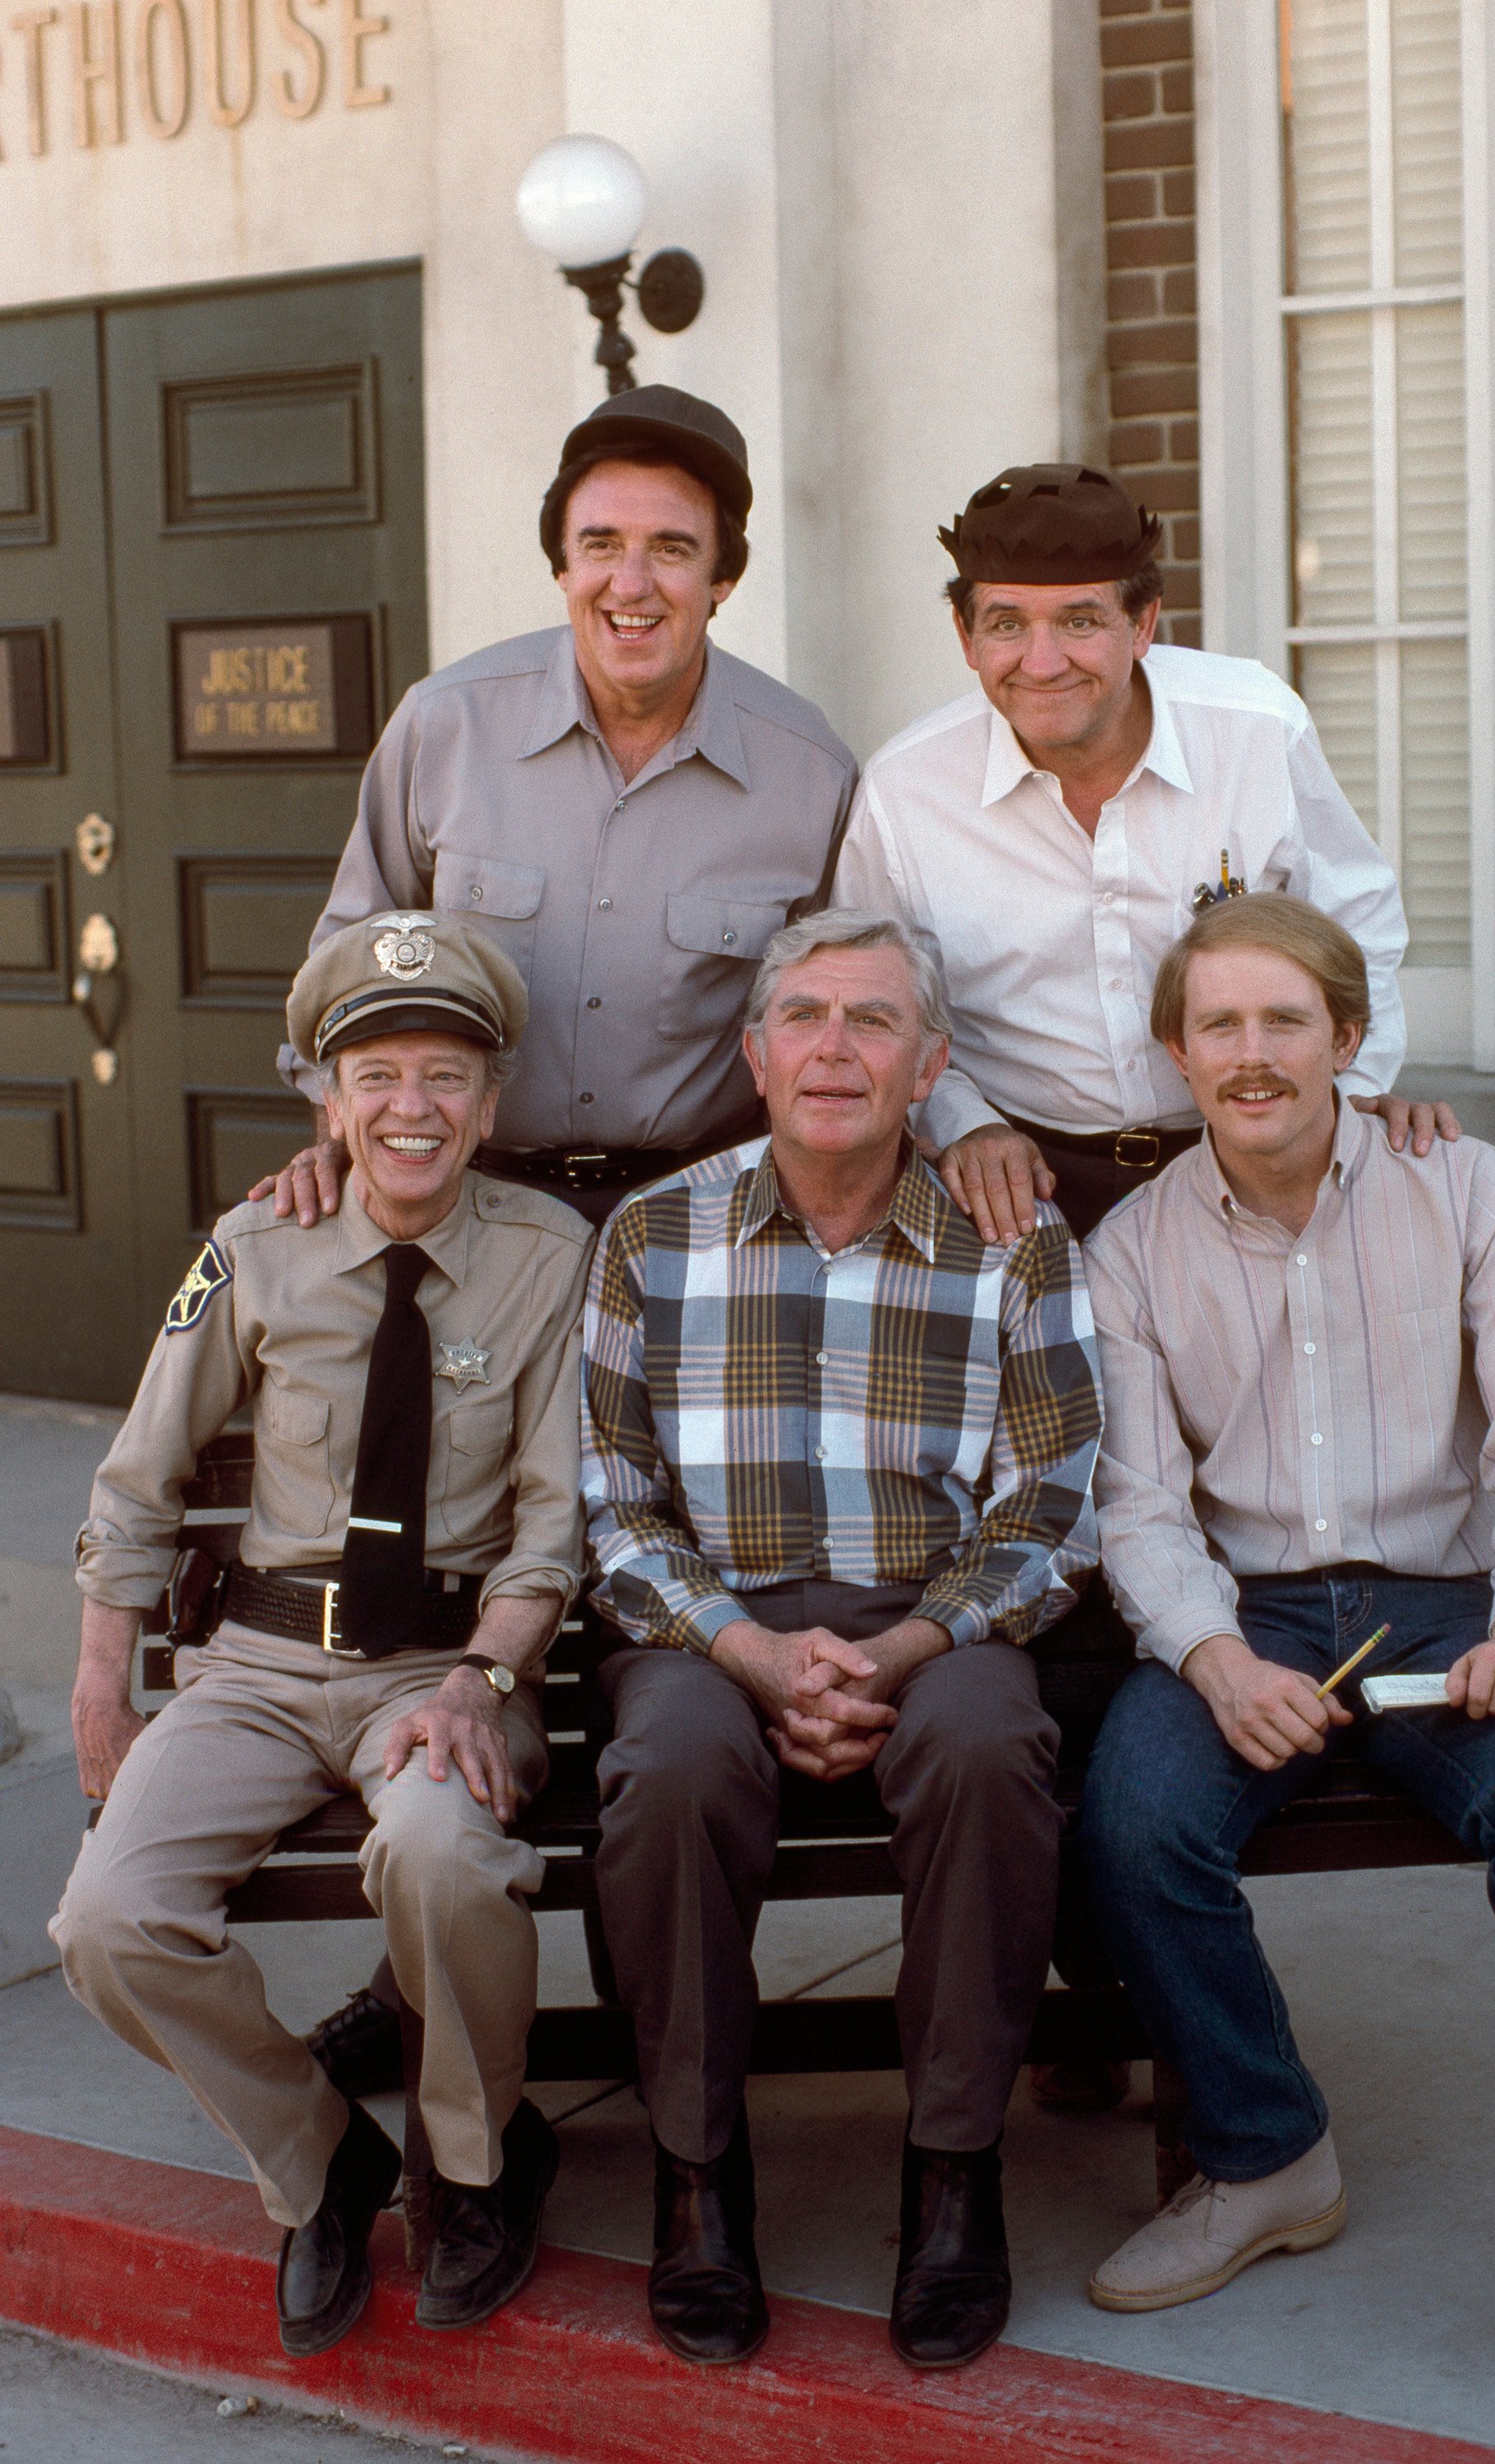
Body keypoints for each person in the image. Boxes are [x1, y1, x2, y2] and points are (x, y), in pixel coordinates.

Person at [261, 384, 858, 2092]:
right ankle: (431, 1955)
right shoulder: (447, 728)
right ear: (561, 558)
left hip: (691, 1235)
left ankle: (669, 1992)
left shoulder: (808, 771)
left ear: (723, 575)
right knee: (444, 1574)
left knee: (661, 1589)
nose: (632, 576)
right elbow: (337, 977)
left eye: (672, 546)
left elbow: (844, 1016)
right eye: (601, 540)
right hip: (476, 1217)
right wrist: (339, 1143)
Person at [1077, 892, 1495, 2434]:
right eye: (1217, 1026)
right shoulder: (1129, 1248)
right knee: (1130, 1821)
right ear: (1177, 1053)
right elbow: (1132, 1502)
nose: (1249, 1055)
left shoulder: (1460, 1187)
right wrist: (1207, 1657)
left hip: (1449, 1607)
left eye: (1282, 1022)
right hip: (1252, 1613)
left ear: (1345, 1036)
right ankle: (1266, 2156)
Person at [53, 913, 593, 2356]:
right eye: (376, 1076)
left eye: (445, 1075)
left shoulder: (551, 1258)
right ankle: (320, 2161)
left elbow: (553, 1527)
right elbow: (139, 1478)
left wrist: (486, 1683)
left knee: (439, 1851)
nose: (409, 1109)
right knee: (106, 1924)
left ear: (490, 1101)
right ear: (325, 1097)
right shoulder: (253, 1248)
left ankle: (476, 2165)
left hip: (444, 1670)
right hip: (261, 1670)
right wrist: (101, 1687)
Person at [579, 908, 1102, 2370]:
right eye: (803, 1016)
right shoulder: (653, 1234)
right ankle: (697, 2174)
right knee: (669, 1777)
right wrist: (746, 1653)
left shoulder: (1009, 1242)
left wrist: (902, 1652)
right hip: (705, 1632)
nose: (833, 1047)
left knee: (994, 1753)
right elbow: (610, 1504)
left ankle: (951, 2171)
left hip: (930, 1624)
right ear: (753, 1054)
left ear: (930, 1061)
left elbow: (1053, 1500)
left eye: (872, 1022)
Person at [833, 462, 1459, 1248]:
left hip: (1248, 1158)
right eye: (1006, 624)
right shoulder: (906, 789)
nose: (1043, 659)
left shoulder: (1255, 729)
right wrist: (964, 1127)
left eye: (1080, 621)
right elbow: (874, 1003)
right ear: (965, 637)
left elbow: (1355, 926)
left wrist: (1347, 1103)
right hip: (1016, 1186)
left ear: (1144, 623)